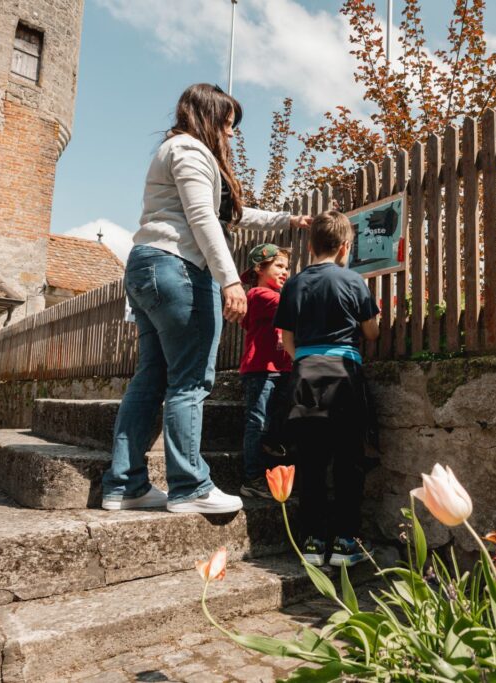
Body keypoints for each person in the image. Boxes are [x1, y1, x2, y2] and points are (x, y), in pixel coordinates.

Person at [102, 83, 311, 514]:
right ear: (210, 118)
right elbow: (203, 219)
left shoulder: (174, 151)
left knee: (151, 378)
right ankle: (190, 487)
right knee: (192, 381)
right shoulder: (192, 151)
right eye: (229, 125)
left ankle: (125, 485)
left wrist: (285, 218)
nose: (232, 135)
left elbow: (227, 213)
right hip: (178, 269)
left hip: (146, 267)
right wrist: (230, 281)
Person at [274, 211, 379, 567]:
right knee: (349, 460)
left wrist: (306, 358)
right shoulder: (353, 281)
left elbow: (287, 340)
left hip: (304, 375)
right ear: (345, 247)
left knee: (310, 460)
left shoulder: (293, 284)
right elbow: (371, 333)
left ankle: (313, 542)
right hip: (343, 375)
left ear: (312, 244)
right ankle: (346, 543)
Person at [237, 243, 293, 499]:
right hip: (261, 369)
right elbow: (291, 307)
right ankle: (252, 478)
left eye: (287, 268)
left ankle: (271, 472)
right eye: (279, 266)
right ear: (259, 268)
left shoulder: (275, 296)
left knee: (274, 423)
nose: (285, 272)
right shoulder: (259, 295)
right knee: (257, 423)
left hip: (281, 369)